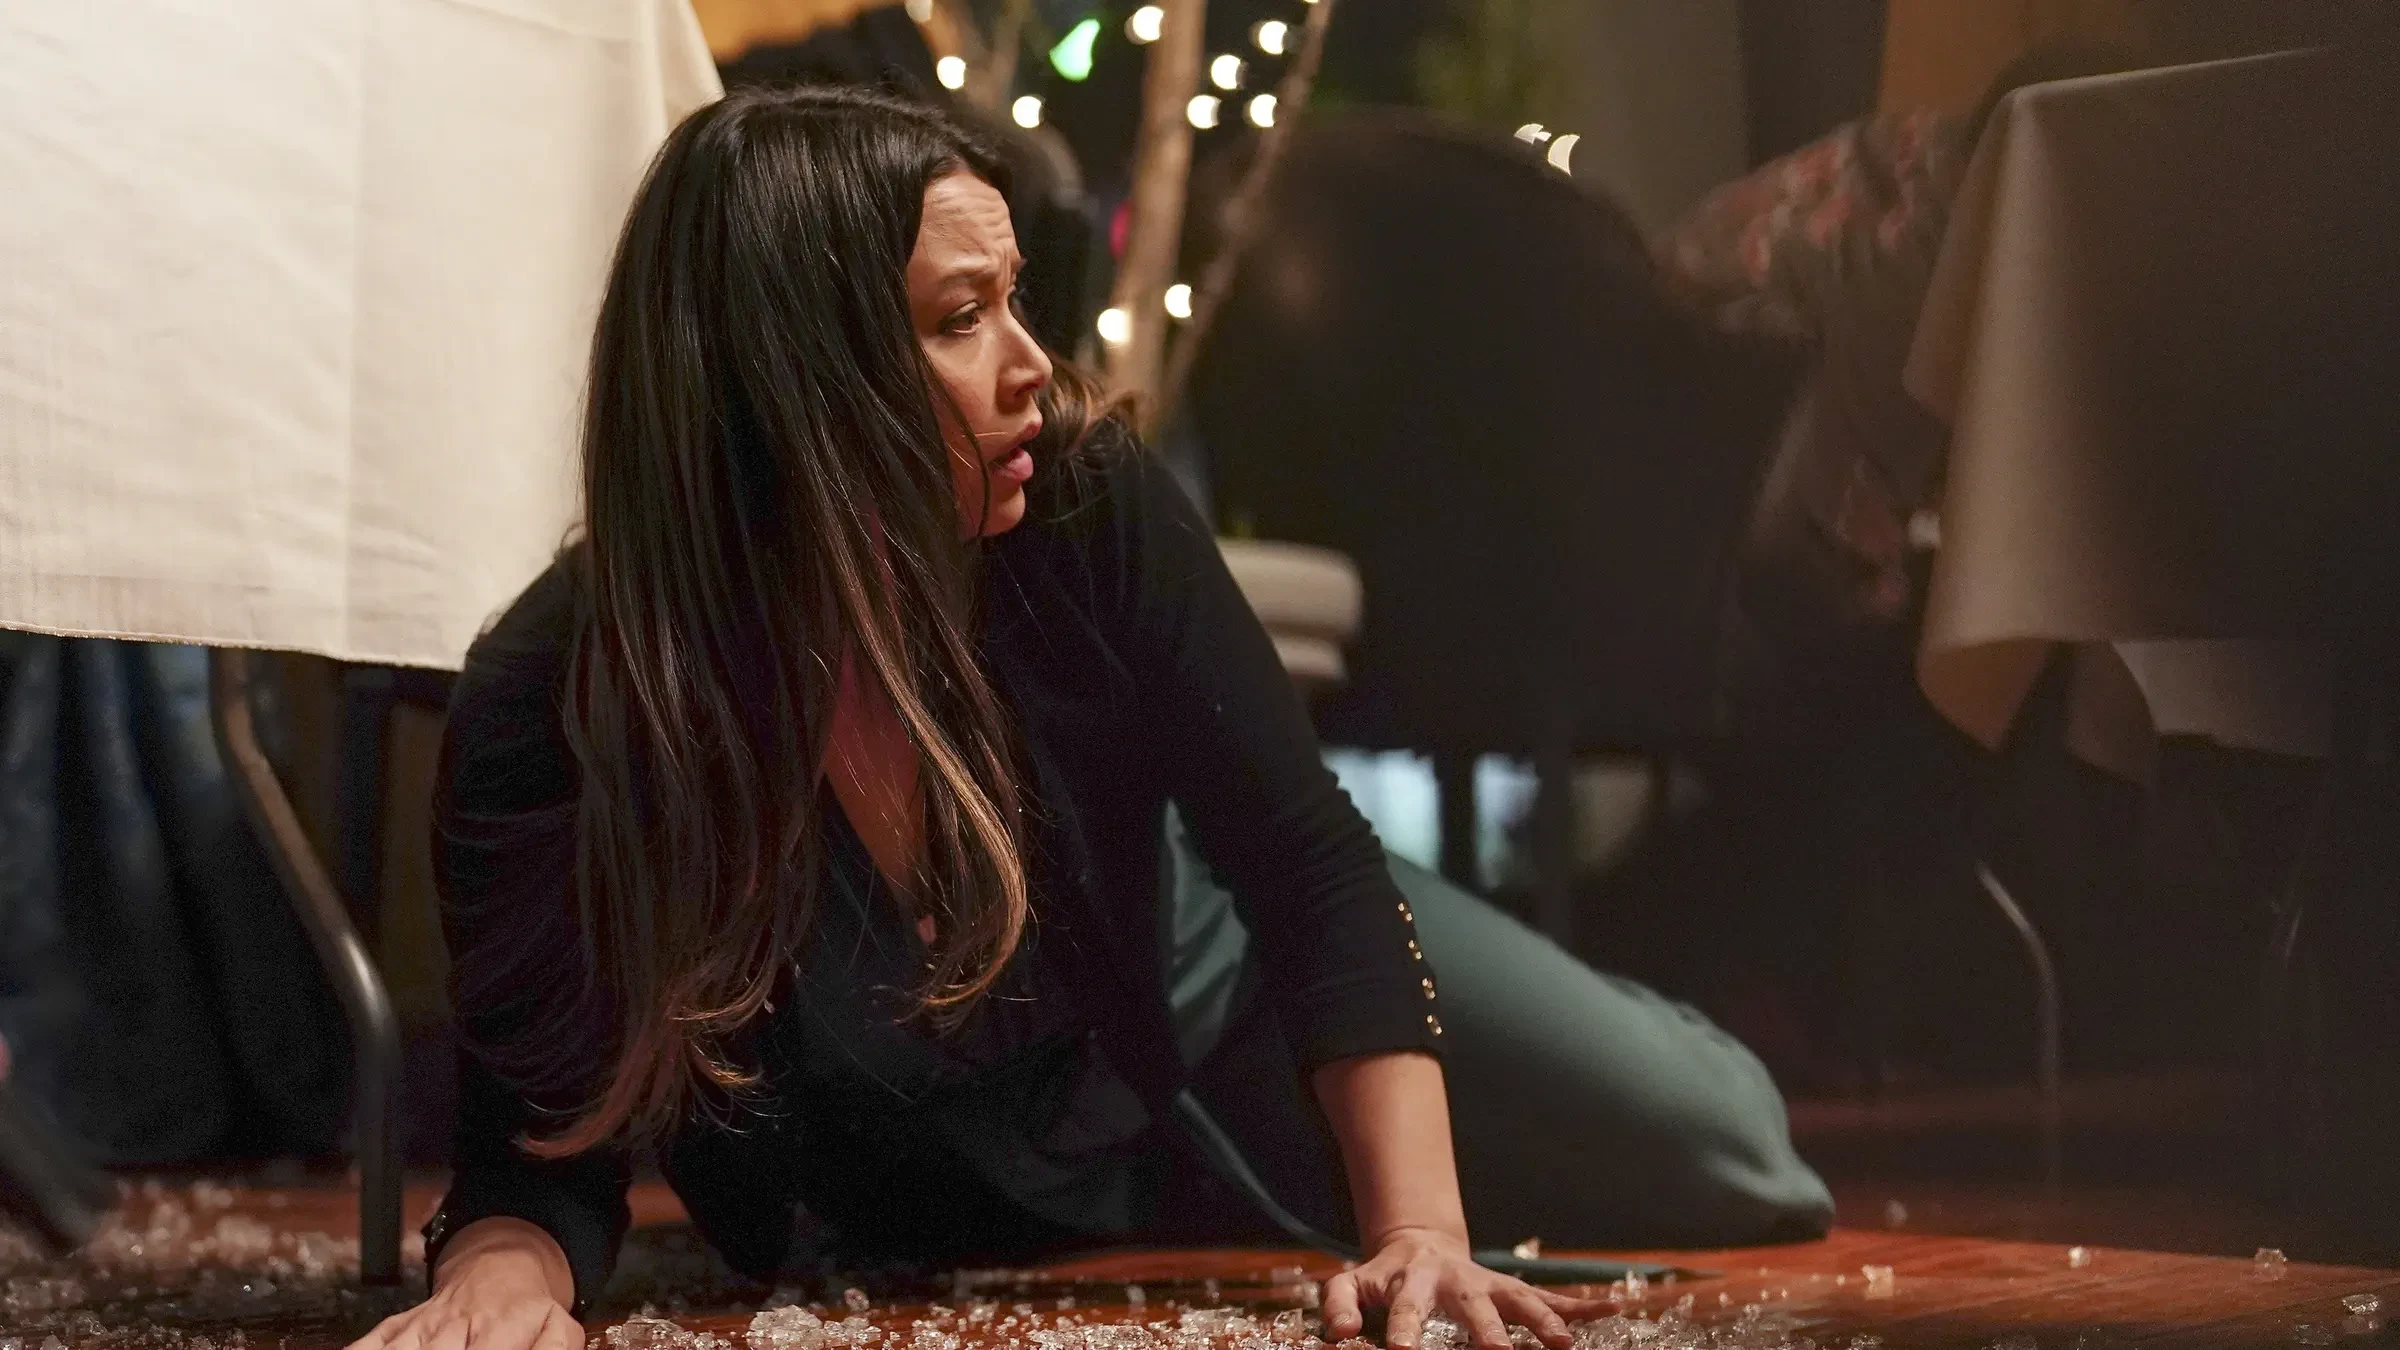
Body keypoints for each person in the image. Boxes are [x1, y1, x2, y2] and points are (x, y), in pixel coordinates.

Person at [358, 87, 1829, 1350]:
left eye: (1014, 302)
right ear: (791, 384)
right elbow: (535, 1139)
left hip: (1213, 987)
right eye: (963, 319)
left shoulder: (1080, 505)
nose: (1032, 367)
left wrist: (1420, 1231)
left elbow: (1301, 858)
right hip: (934, 1177)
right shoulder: (552, 703)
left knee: (1731, 1153)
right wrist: (497, 1285)